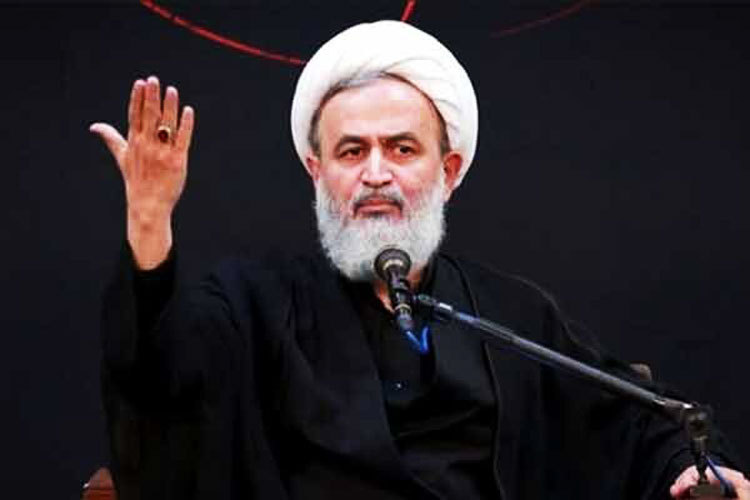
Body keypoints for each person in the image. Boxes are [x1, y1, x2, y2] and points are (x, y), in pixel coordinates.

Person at [90, 20, 748, 500]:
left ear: (448, 171)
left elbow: (637, 417)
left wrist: (689, 468)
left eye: (402, 149)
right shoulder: (252, 303)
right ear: (317, 173)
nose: (376, 173)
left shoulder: (510, 313)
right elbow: (158, 378)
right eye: (352, 152)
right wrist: (150, 223)